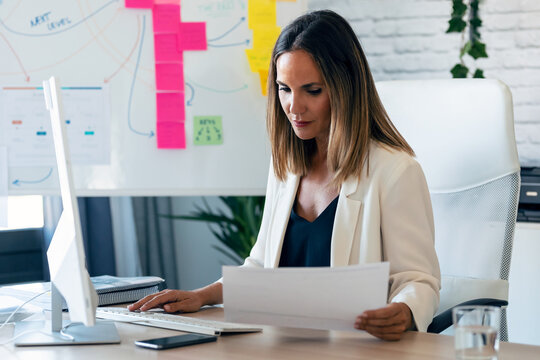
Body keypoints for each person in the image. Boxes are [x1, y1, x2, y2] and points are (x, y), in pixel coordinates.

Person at [129, 9, 441, 341]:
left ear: (345, 87)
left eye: (312, 90)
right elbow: (263, 267)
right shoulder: (287, 169)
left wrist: (405, 310)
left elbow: (418, 280)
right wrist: (202, 296)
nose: (294, 106)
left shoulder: (394, 171)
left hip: (357, 348)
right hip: (285, 344)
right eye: (284, 89)